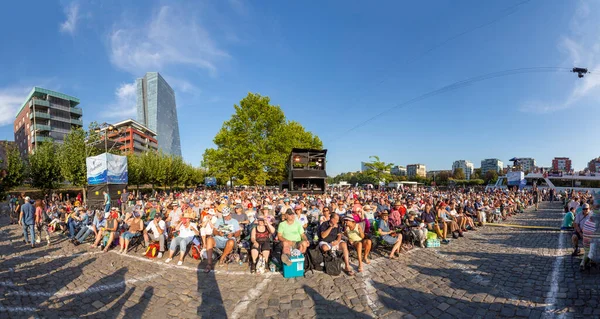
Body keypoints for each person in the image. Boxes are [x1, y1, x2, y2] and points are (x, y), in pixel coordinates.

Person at [205, 207, 241, 272]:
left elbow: (238, 233)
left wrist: (232, 234)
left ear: (230, 214)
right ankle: (209, 263)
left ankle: (222, 258)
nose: (225, 217)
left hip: (229, 240)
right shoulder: (219, 220)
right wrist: (218, 233)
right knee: (209, 239)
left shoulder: (234, 221)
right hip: (219, 238)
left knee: (231, 242)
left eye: (226, 216)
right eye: (224, 216)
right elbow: (214, 231)